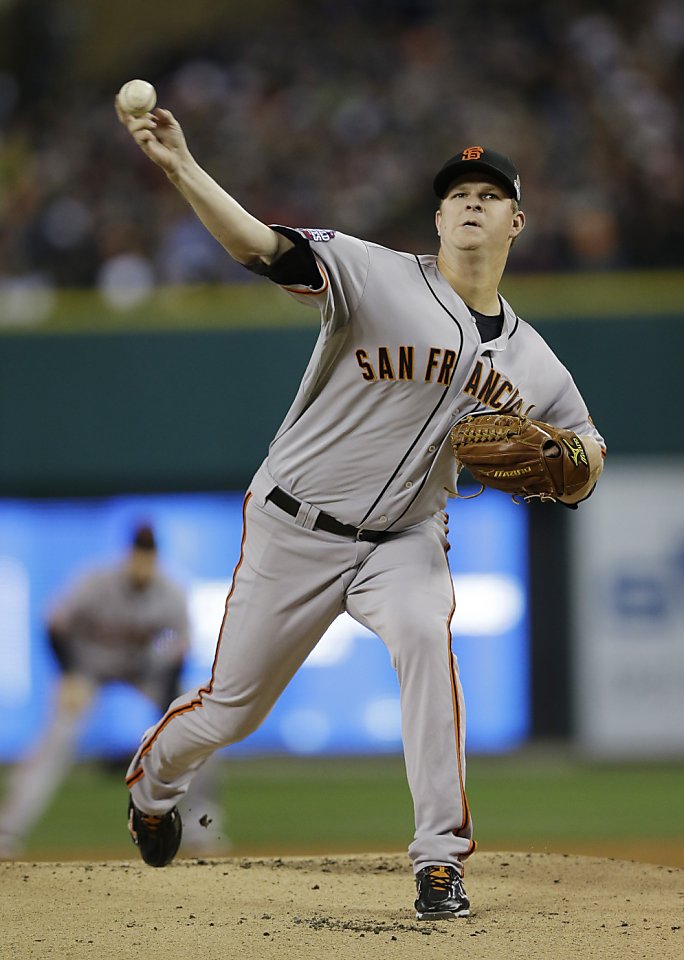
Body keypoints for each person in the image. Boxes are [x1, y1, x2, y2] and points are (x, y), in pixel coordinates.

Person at [116, 97, 605, 918]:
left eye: (489, 195)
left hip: (407, 539)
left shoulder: (534, 359)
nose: (472, 203)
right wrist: (183, 169)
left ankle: (440, 861)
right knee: (232, 710)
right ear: (438, 217)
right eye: (458, 194)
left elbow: (588, 451)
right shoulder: (372, 273)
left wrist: (570, 462)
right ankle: (155, 789)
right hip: (294, 524)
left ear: (517, 221)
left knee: (424, 637)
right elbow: (260, 247)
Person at [0, 523, 226, 858]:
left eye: (148, 555)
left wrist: (168, 702)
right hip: (89, 668)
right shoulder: (96, 582)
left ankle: (202, 828)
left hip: (143, 672)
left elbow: (178, 651)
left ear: (155, 557)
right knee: (57, 739)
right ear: (129, 554)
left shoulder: (170, 592)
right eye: (138, 553)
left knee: (195, 727)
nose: (142, 561)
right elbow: (55, 624)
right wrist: (70, 674)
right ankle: (8, 829)